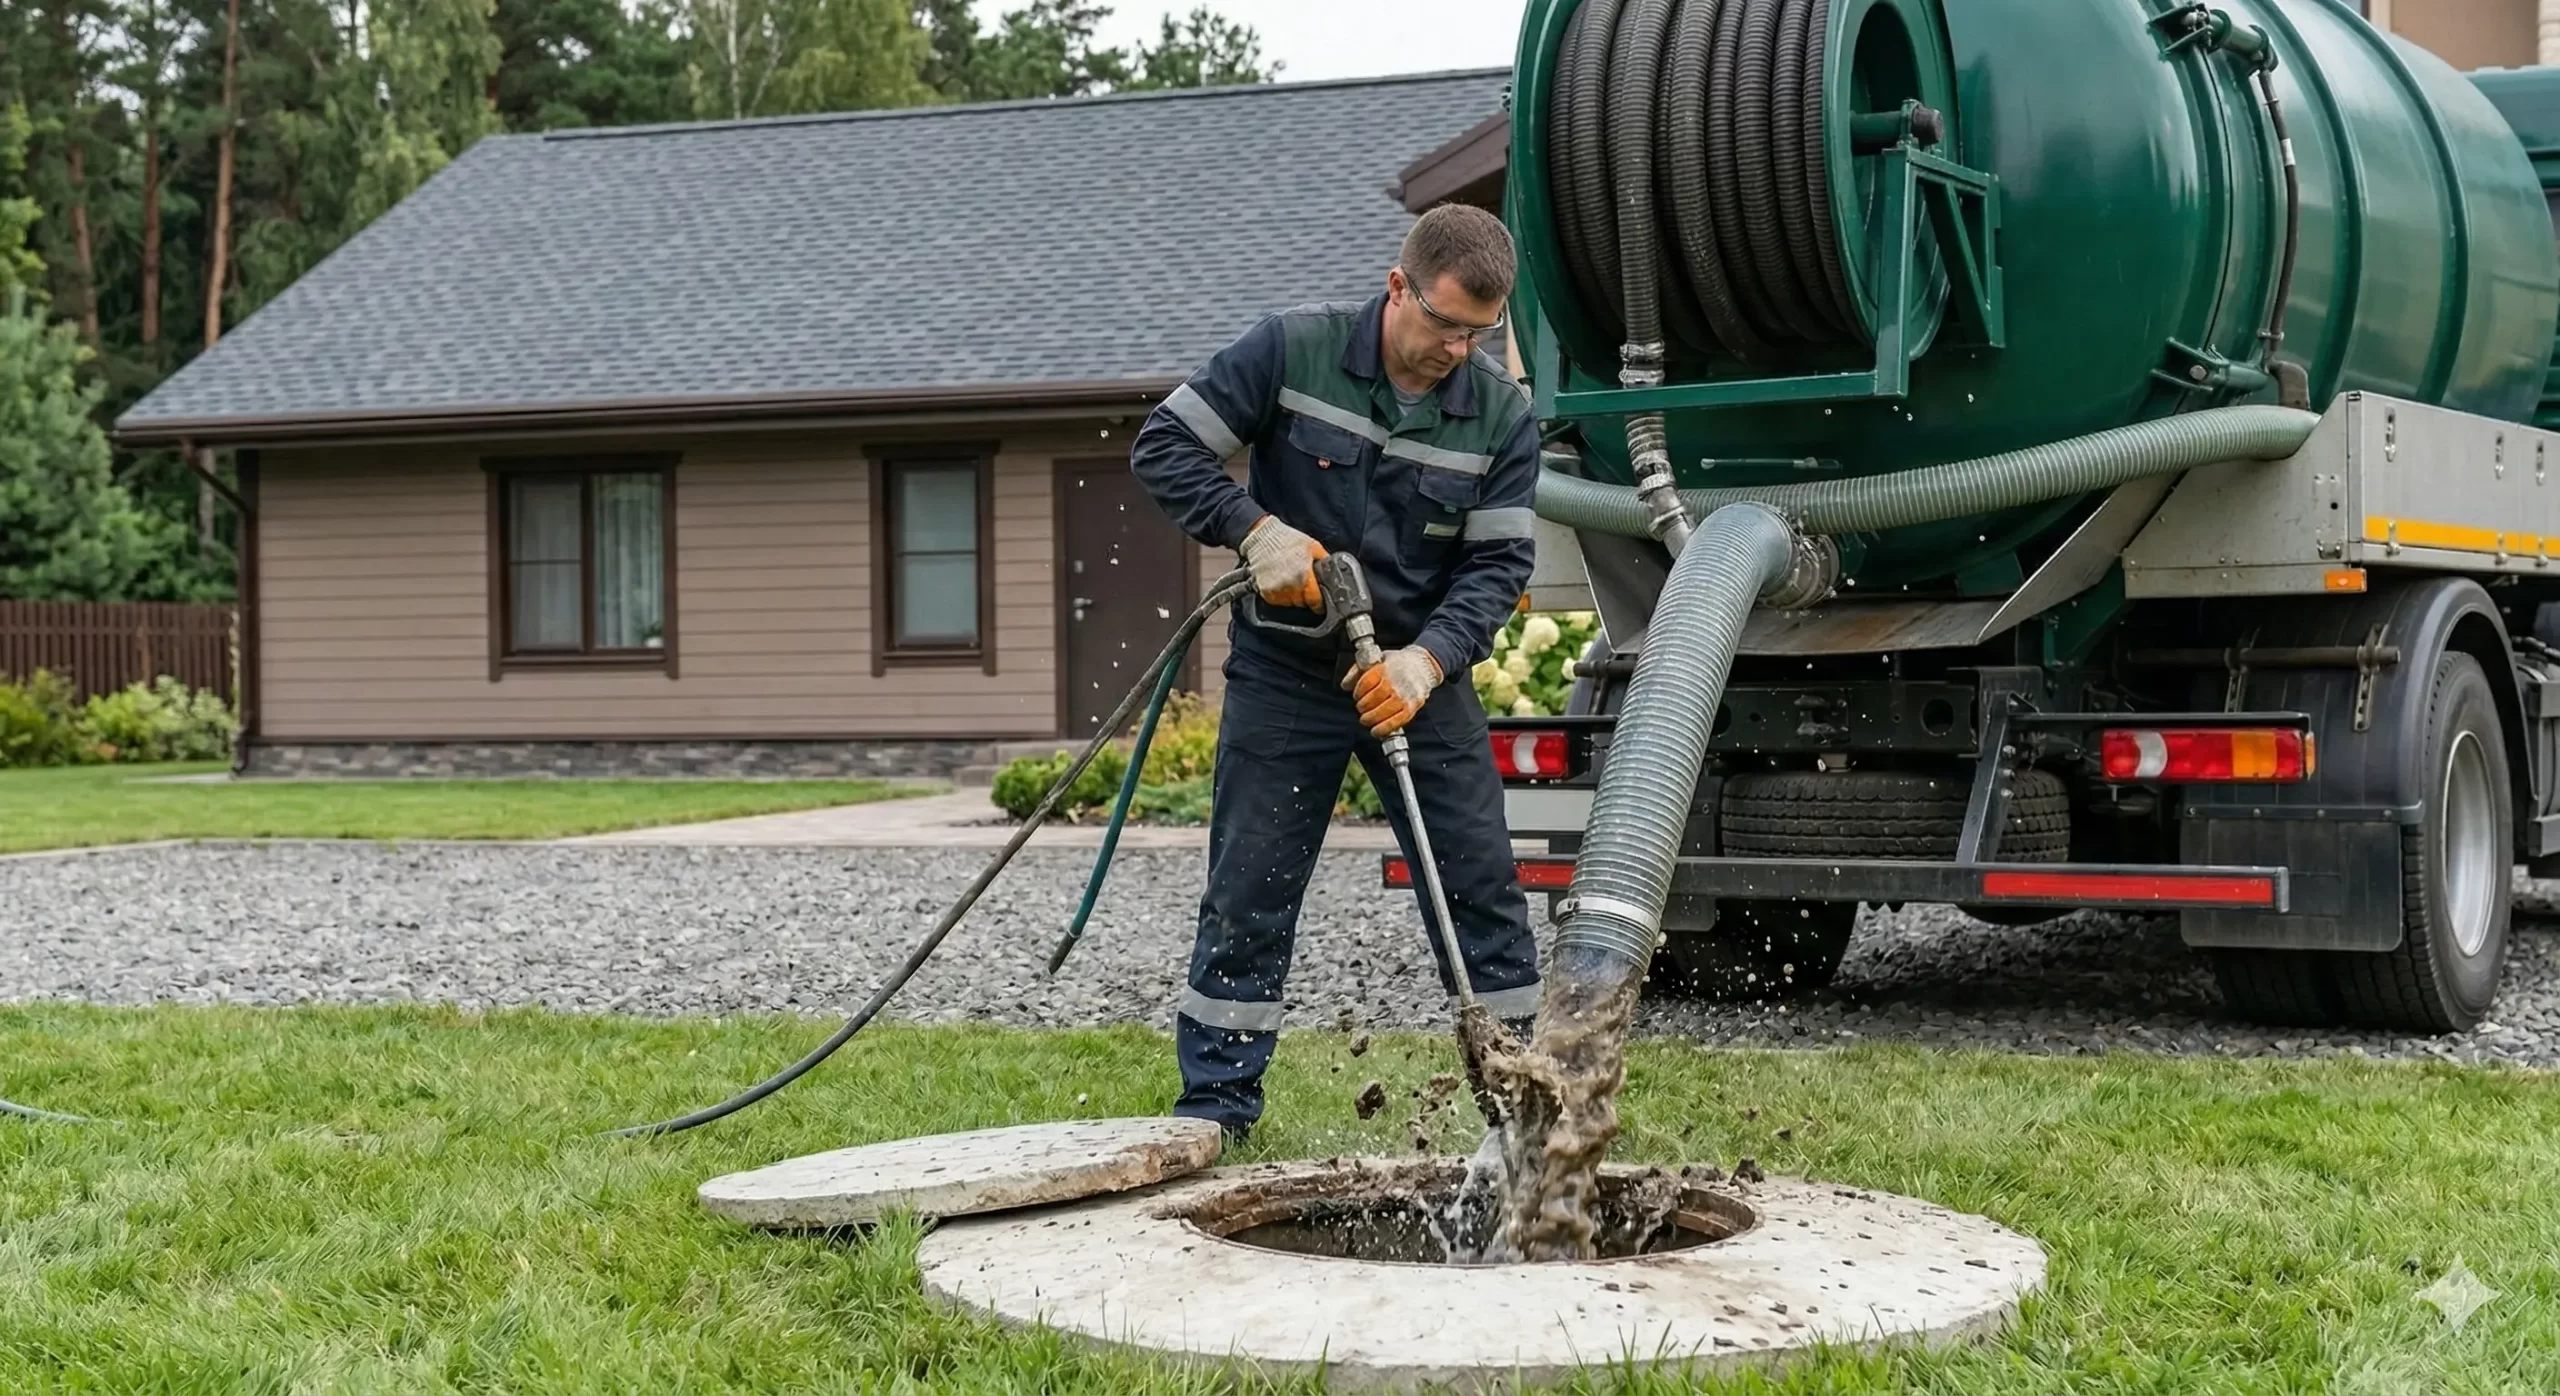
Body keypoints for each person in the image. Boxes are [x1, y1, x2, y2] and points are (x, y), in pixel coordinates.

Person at [1129, 204, 1543, 1139]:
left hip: (1415, 683)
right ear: (1399, 287)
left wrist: (1428, 663)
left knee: (1480, 889)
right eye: (1444, 324)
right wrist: (1254, 529)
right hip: (1286, 676)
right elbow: (1164, 445)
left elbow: (1497, 568)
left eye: (1479, 333)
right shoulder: (1293, 350)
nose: (1458, 349)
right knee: (1250, 891)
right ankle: (1217, 1111)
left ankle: (1522, 1116)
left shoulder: (1502, 417)